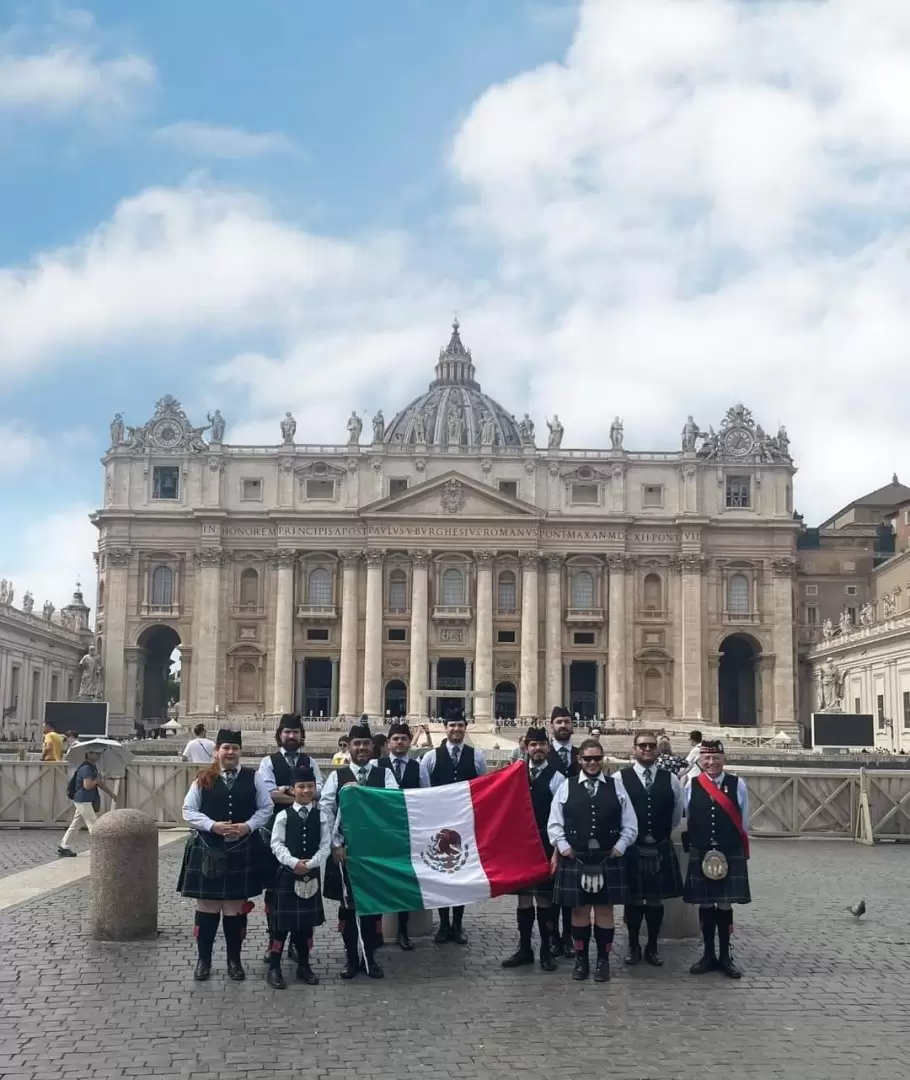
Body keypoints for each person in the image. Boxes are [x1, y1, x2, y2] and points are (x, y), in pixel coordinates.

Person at [177, 730, 272, 982]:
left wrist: (249, 826)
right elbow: (188, 810)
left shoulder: (254, 778)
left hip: (241, 848)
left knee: (235, 910)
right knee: (207, 908)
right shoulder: (203, 778)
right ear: (217, 750)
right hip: (209, 848)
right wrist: (213, 825)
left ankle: (234, 961)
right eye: (226, 748)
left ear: (240, 751)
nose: (230, 752)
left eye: (235, 748)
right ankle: (203, 960)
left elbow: (266, 808)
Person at [547, 737, 637, 983]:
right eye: (588, 758)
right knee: (578, 912)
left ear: (602, 759)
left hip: (608, 857)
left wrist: (620, 847)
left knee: (605, 911)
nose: (593, 763)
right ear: (579, 760)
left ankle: (603, 961)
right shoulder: (567, 785)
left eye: (597, 758)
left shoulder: (616, 785)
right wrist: (563, 847)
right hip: (576, 857)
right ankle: (581, 959)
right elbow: (555, 823)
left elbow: (630, 823)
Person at [321, 721, 398, 979]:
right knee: (348, 908)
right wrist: (335, 845)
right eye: (357, 744)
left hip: (374, 853)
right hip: (346, 852)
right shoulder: (337, 776)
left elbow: (392, 805)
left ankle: (370, 958)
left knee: (372, 908)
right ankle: (351, 957)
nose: (362, 748)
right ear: (349, 747)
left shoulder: (384, 774)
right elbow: (327, 812)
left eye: (366, 743)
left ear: (372, 747)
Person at [256, 714, 325, 962]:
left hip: (305, 836)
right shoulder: (268, 762)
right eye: (287, 732)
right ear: (280, 735)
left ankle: (299, 945)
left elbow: (319, 791)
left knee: (306, 889)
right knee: (275, 892)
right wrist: (302, 796)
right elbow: (268, 795)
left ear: (301, 734)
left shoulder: (311, 761)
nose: (291, 736)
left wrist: (286, 792)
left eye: (295, 731)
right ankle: (273, 941)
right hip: (274, 834)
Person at [683, 739, 750, 979]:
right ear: (700, 761)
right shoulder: (691, 785)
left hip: (728, 850)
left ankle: (725, 955)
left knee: (724, 904)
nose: (711, 762)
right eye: (706, 759)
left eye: (715, 758)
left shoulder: (737, 783)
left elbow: (744, 822)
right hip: (702, 850)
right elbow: (687, 814)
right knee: (705, 904)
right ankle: (708, 953)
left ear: (724, 759)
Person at [419, 717, 487, 945]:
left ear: (465, 728)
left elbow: (482, 787)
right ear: (445, 728)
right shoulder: (430, 757)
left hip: (464, 825)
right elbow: (425, 791)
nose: (456, 729)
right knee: (440, 874)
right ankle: (443, 924)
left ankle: (457, 924)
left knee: (460, 876)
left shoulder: (476, 755)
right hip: (439, 825)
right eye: (452, 725)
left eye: (460, 725)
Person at [619, 731, 684, 968]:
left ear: (657, 749)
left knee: (656, 901)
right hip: (632, 847)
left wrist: (660, 833)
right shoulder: (619, 777)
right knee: (634, 901)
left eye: (651, 745)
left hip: (659, 845)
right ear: (634, 749)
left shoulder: (672, 779)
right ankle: (634, 945)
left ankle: (653, 945)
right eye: (642, 745)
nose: (647, 749)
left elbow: (677, 814)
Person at [501, 727, 564, 973]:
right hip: (521, 846)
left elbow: (560, 817)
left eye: (541, 744)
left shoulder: (556, 778)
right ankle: (525, 948)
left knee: (545, 900)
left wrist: (556, 851)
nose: (537, 748)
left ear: (548, 747)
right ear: (525, 747)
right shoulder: (514, 774)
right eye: (532, 744)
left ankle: (546, 949)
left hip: (545, 846)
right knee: (523, 900)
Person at [266, 766, 330, 989]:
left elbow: (325, 845)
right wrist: (293, 862)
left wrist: (311, 864)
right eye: (301, 786)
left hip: (310, 875)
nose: (306, 790)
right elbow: (276, 844)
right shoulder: (283, 815)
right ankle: (274, 967)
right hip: (287, 875)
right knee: (280, 927)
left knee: (305, 926)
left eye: (310, 786)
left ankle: (304, 966)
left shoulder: (321, 816)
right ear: (292, 790)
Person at [377, 721, 429, 950]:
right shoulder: (375, 765)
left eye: (404, 739)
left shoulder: (419, 768)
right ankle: (377, 930)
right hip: (381, 832)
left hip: (409, 832)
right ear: (388, 743)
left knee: (405, 882)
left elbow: (426, 798)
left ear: (410, 742)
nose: (399, 742)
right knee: (380, 880)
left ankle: (402, 931)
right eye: (395, 739)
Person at [547, 705, 580, 957]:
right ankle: (553, 937)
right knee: (549, 891)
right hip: (547, 834)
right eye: (559, 722)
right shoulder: (541, 755)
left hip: (577, 834)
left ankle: (568, 936)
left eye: (566, 722)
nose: (563, 726)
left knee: (571, 892)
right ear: (552, 726)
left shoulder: (584, 756)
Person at [57, 748, 115, 857]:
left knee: (76, 823)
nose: (99, 756)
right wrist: (97, 780)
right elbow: (87, 785)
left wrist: (111, 794)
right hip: (83, 799)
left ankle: (64, 846)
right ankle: (101, 847)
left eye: (99, 753)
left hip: (84, 799)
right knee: (92, 823)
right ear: (89, 754)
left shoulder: (91, 767)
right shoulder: (86, 768)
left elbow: (98, 784)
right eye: (96, 753)